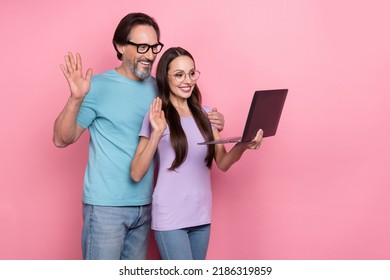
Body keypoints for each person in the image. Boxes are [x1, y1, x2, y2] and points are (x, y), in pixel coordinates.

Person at [52, 13, 225, 260]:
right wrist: (76, 98)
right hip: (105, 207)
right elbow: (62, 139)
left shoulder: (159, 87)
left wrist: (216, 122)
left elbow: (190, 121)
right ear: (120, 47)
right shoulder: (96, 86)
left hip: (145, 207)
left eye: (154, 47)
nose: (151, 55)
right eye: (142, 47)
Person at [130, 47, 263, 260]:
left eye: (192, 73)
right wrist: (156, 133)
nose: (188, 80)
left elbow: (223, 162)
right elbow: (136, 173)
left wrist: (243, 145)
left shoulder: (207, 114)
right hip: (170, 216)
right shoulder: (156, 116)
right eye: (179, 74)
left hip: (201, 214)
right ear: (166, 77)